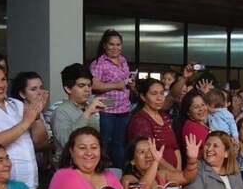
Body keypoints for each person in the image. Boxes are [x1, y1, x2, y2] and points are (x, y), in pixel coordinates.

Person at [90, 29, 136, 169]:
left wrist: (131, 83)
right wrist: (118, 84)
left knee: (119, 141)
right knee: (104, 141)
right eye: (112, 44)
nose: (115, 48)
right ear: (105, 45)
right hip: (107, 107)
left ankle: (119, 171)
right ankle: (98, 169)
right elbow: (95, 85)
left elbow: (125, 82)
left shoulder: (123, 61)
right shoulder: (99, 62)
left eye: (118, 44)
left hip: (124, 107)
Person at [10, 72, 53, 189]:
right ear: (22, 94)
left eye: (41, 87)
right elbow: (39, 144)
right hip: (20, 173)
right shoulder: (16, 112)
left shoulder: (38, 111)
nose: (39, 92)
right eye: (33, 89)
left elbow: (44, 143)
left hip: (41, 169)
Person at [51, 63, 104, 166]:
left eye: (89, 85)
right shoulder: (60, 111)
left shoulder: (91, 107)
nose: (87, 90)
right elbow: (66, 142)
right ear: (68, 89)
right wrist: (87, 113)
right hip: (68, 167)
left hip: (91, 164)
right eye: (81, 86)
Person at [127, 78, 181, 170]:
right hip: (155, 175)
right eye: (154, 94)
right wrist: (175, 173)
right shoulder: (140, 121)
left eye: (162, 93)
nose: (160, 98)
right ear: (143, 97)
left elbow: (175, 147)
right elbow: (150, 155)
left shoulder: (165, 117)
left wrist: (179, 170)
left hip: (174, 174)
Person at [178, 90, 209, 158]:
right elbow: (209, 150)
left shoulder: (201, 123)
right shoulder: (191, 127)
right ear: (188, 112)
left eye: (203, 105)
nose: (201, 109)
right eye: (196, 107)